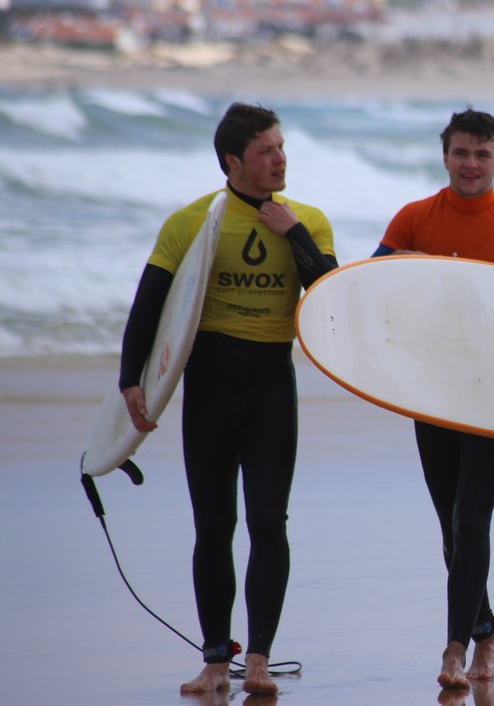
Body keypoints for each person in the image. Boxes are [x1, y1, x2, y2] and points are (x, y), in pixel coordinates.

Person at [118, 103, 337, 696]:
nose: (280, 158)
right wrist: (131, 381)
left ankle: (259, 659)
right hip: (210, 388)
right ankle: (216, 659)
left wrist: (291, 234)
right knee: (213, 525)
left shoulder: (309, 221)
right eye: (267, 150)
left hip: (271, 389)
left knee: (269, 521)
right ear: (233, 161)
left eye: (282, 147)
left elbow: (327, 294)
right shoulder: (192, 223)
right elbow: (150, 306)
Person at [372, 108, 494, 690]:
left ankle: (455, 649)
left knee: (470, 516)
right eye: (461, 153)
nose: (471, 164)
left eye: (482, 155)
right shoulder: (413, 220)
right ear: (445, 157)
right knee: (450, 526)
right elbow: (372, 294)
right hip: (435, 394)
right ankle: (486, 635)